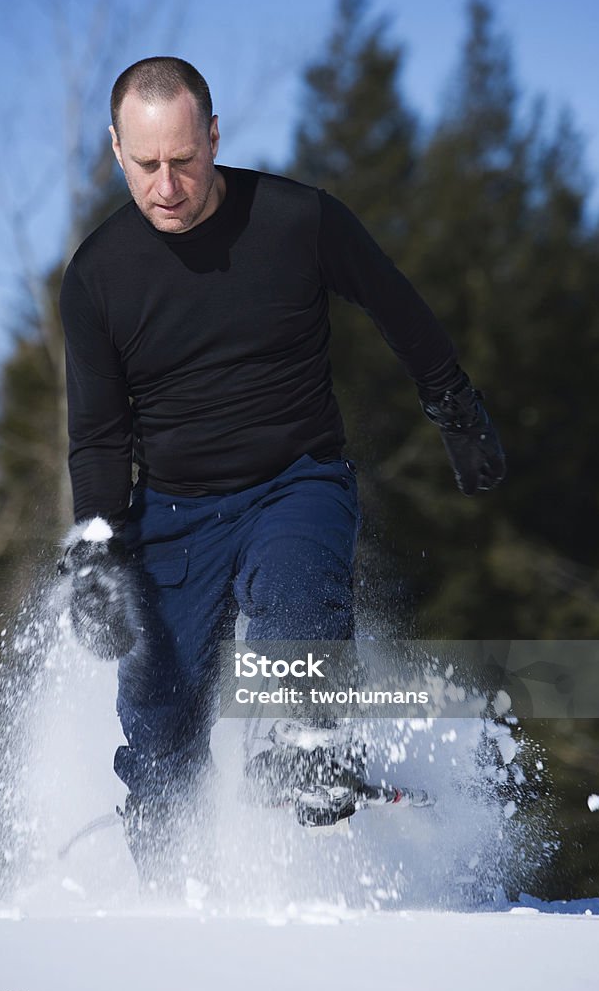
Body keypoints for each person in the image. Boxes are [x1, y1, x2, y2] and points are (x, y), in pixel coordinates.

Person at [59, 57, 505, 887]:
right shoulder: (96, 277)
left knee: (298, 595)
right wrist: (94, 547)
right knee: (158, 724)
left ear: (214, 137)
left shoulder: (298, 221)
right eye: (146, 164)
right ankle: (160, 870)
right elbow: (96, 434)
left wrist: (455, 406)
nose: (167, 185)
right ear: (116, 148)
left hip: (292, 481)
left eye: (184, 160)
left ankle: (304, 740)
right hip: (172, 517)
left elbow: (393, 302)